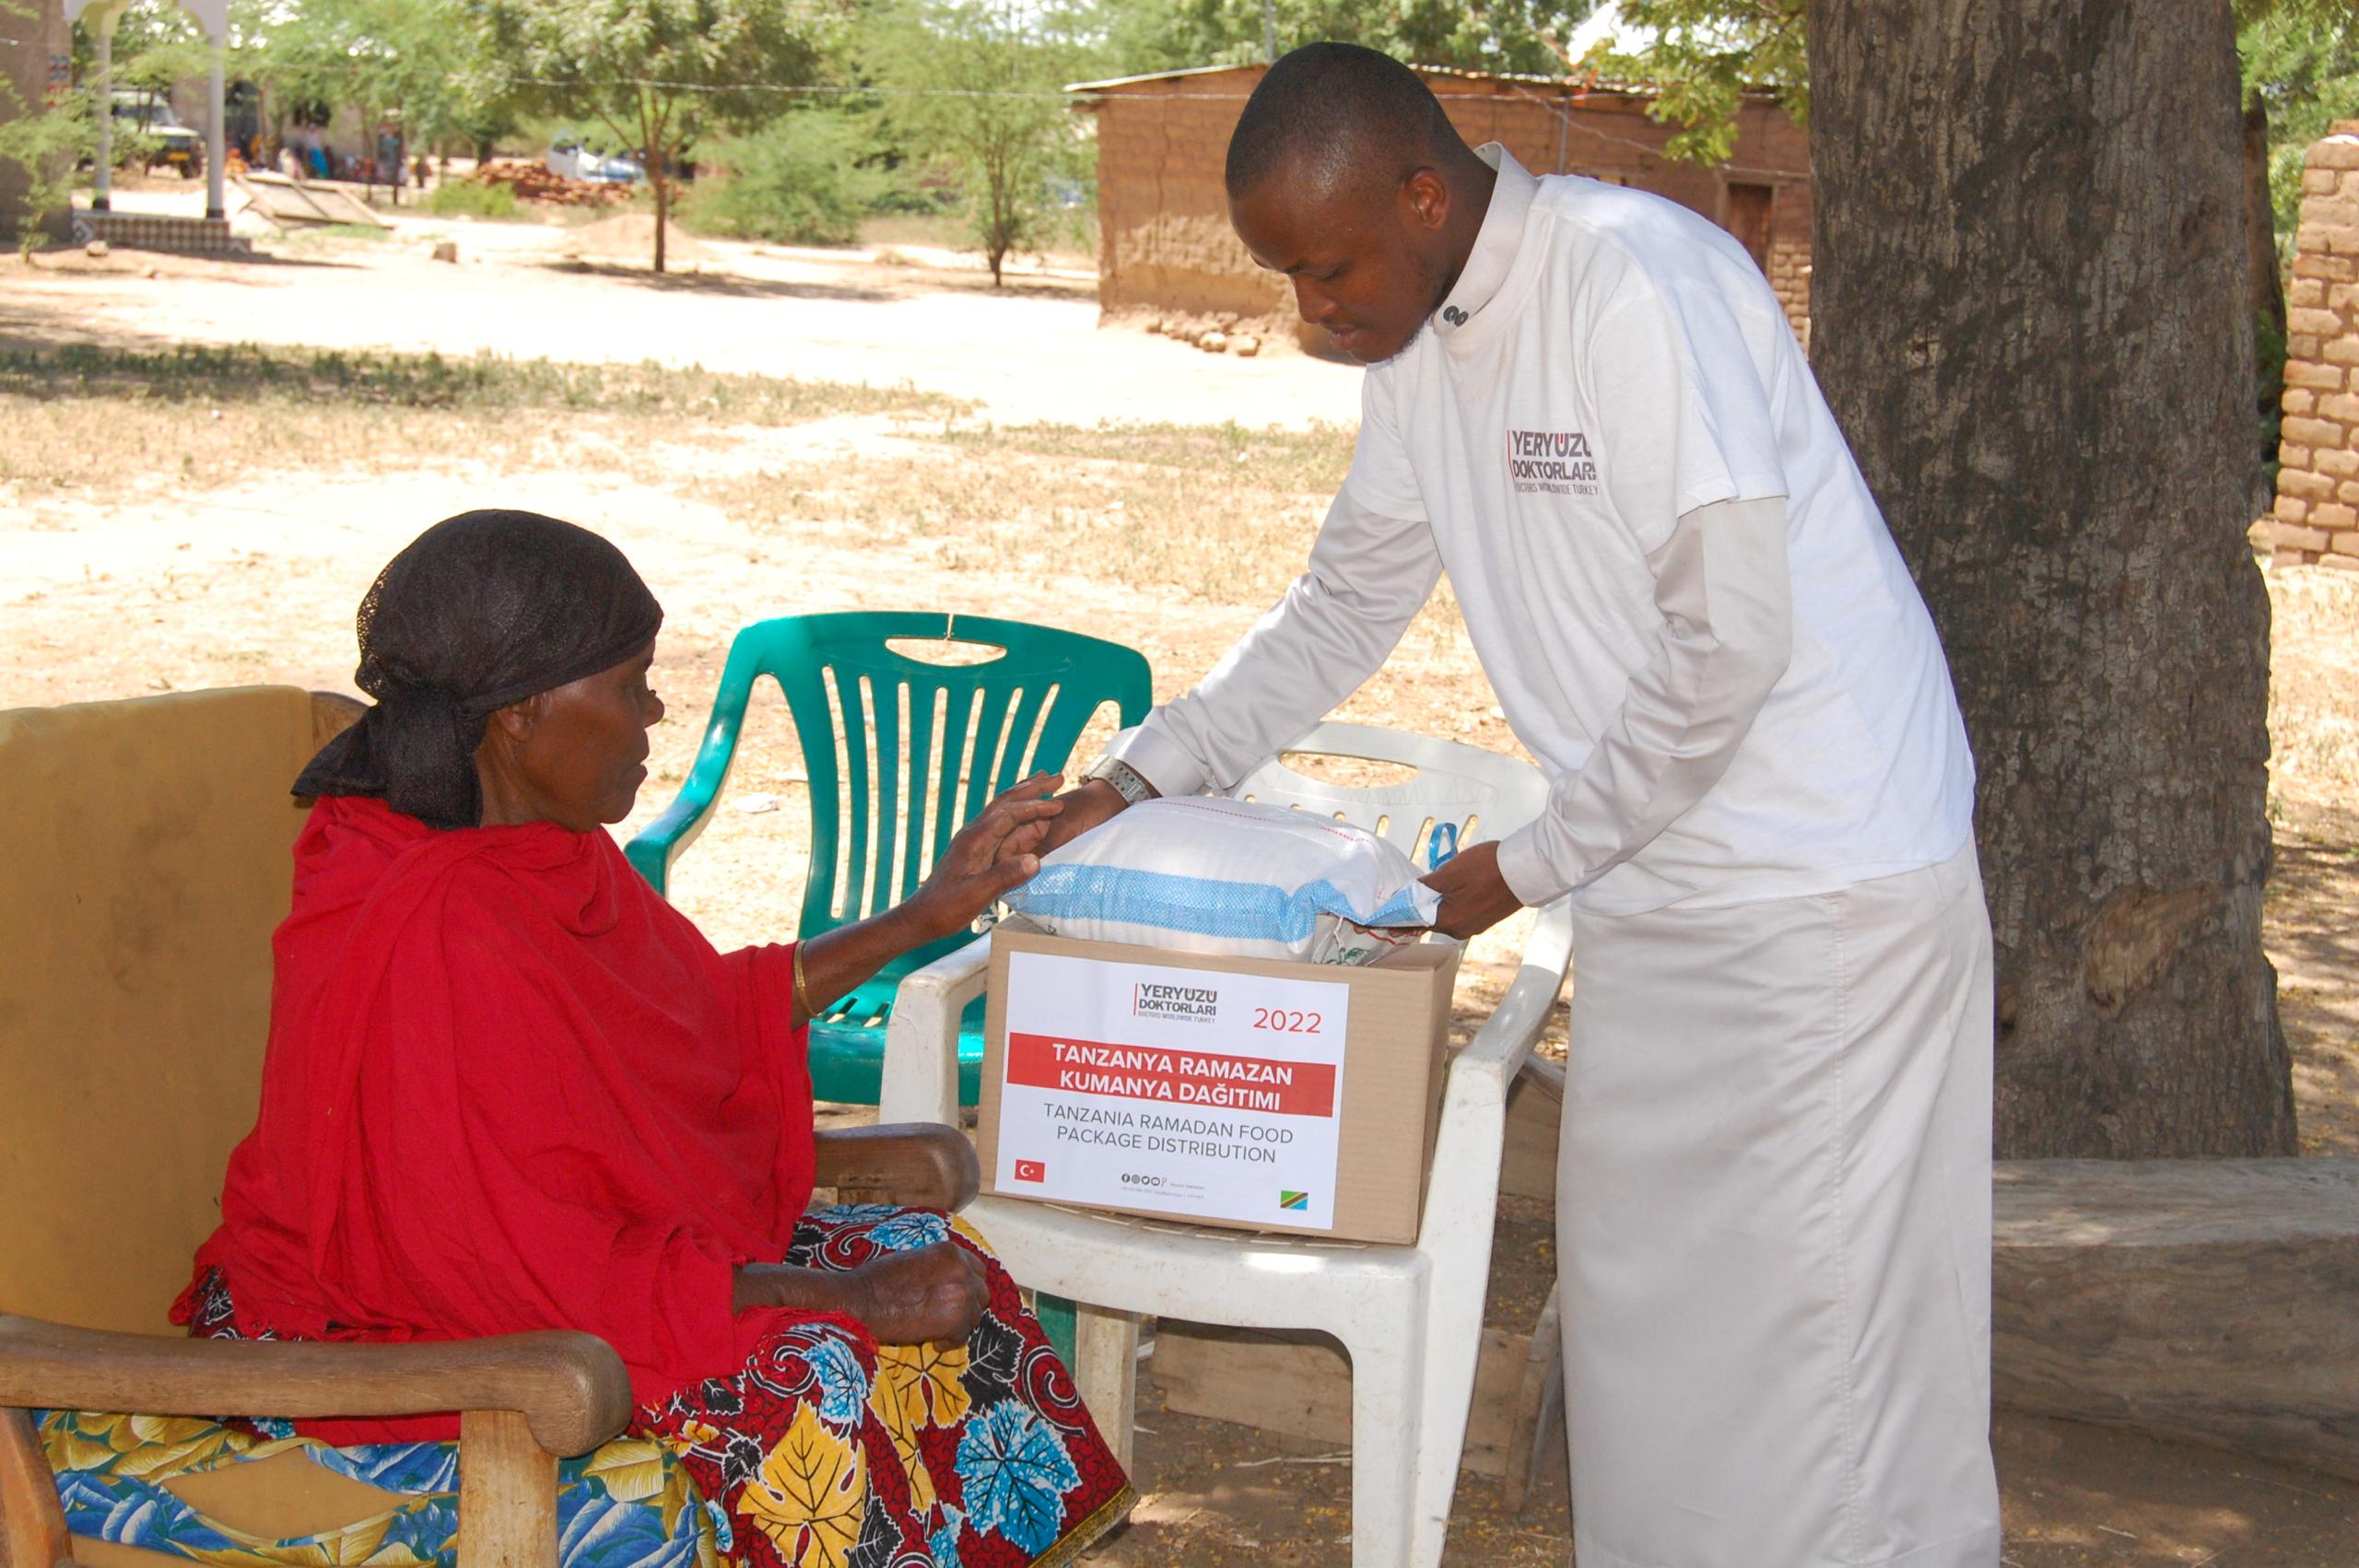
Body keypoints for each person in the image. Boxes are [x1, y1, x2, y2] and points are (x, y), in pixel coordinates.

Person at [1043, 43, 1999, 1568]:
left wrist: (1518, 865)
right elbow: (1341, 609)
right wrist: (1141, 776)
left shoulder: (1634, 284)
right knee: (1650, 1318)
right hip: (1660, 883)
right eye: (1287, 277)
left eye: (1329, 266)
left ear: (1427, 194)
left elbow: (1730, 641)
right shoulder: (1422, 340)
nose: (1312, 312)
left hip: (1819, 889)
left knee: (1821, 1360)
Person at [171, 509, 1133, 1568]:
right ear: (521, 713)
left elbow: (693, 1017)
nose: (655, 711)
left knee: (940, 1265)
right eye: (629, 685)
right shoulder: (432, 918)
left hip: (551, 1267)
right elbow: (510, 1270)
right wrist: (839, 1296)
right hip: (380, 1338)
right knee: (816, 1370)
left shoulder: (541, 844)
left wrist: (921, 915)